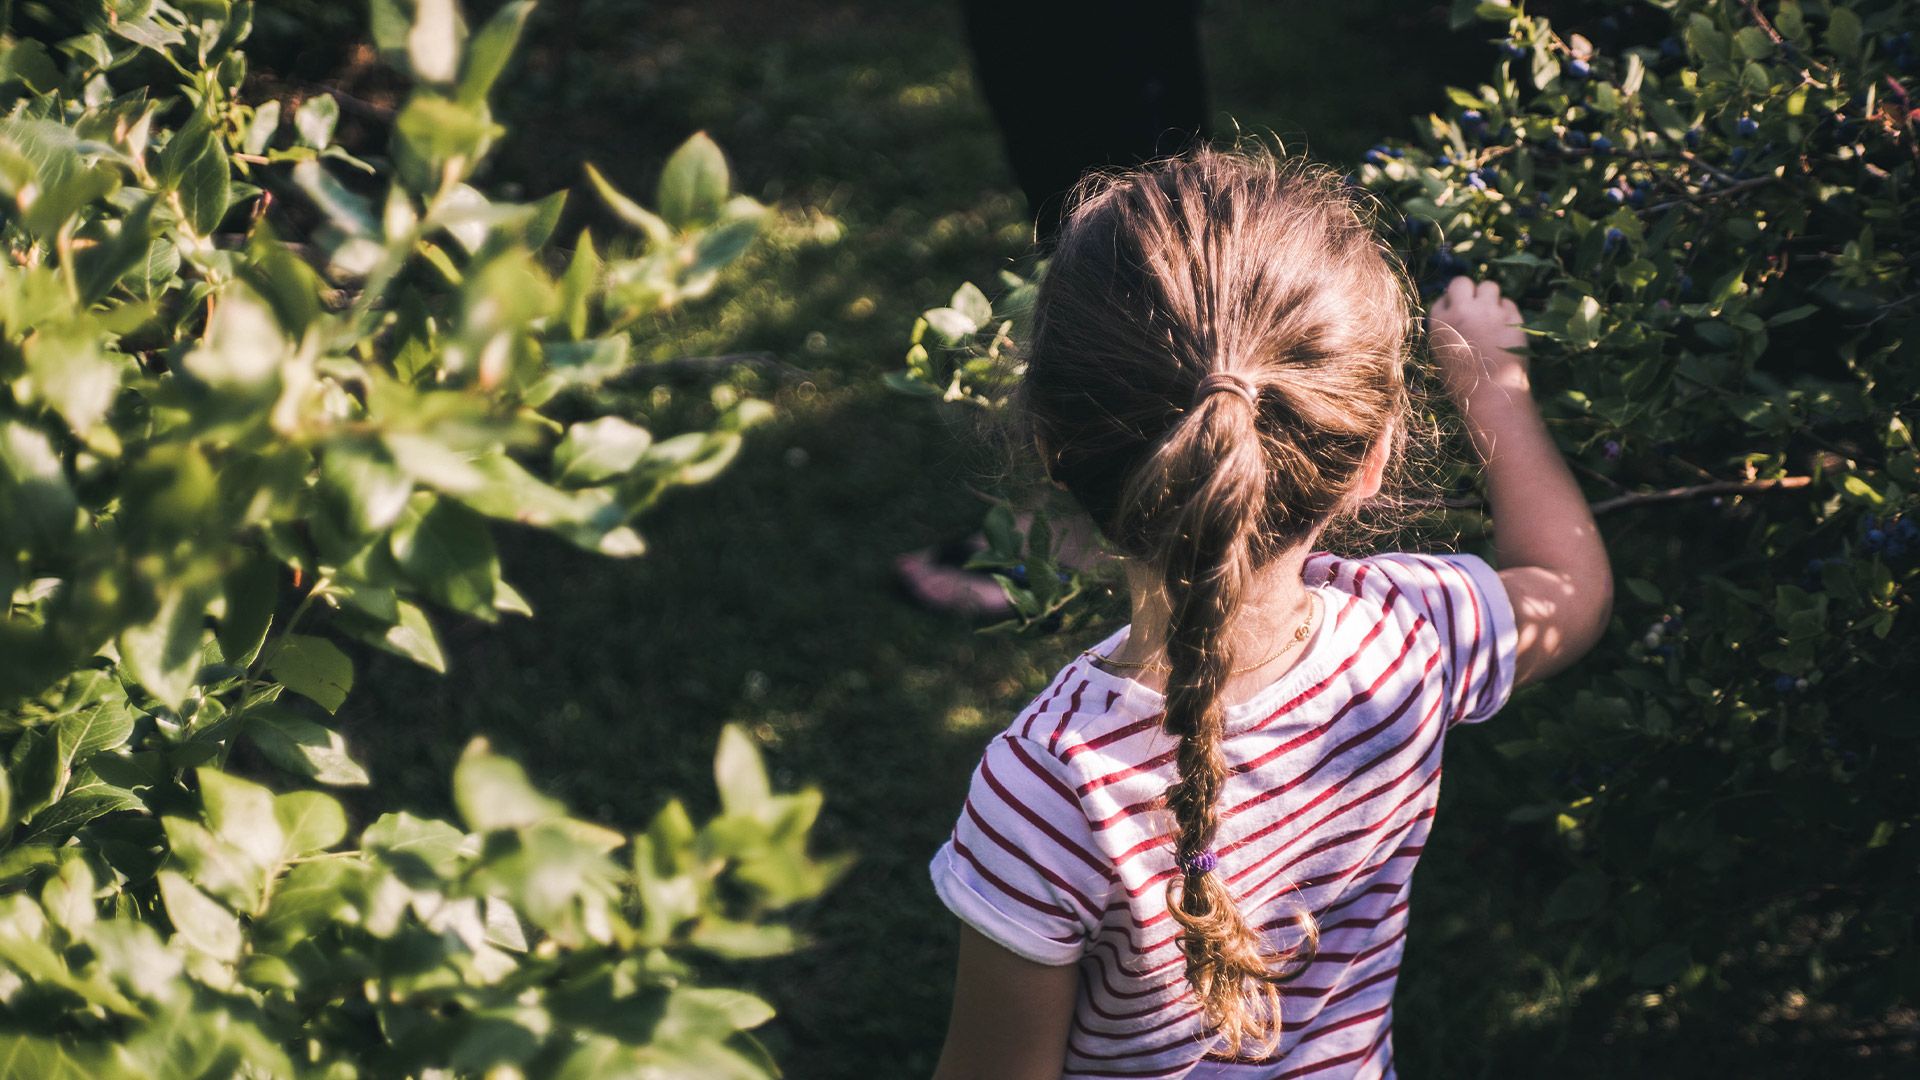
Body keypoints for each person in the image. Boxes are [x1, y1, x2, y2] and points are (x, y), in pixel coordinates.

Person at [927, 148, 1613, 1078]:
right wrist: (1493, 386)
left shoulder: (1048, 789)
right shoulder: (1411, 637)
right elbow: (1567, 588)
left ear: (1052, 447)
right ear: (1371, 457)